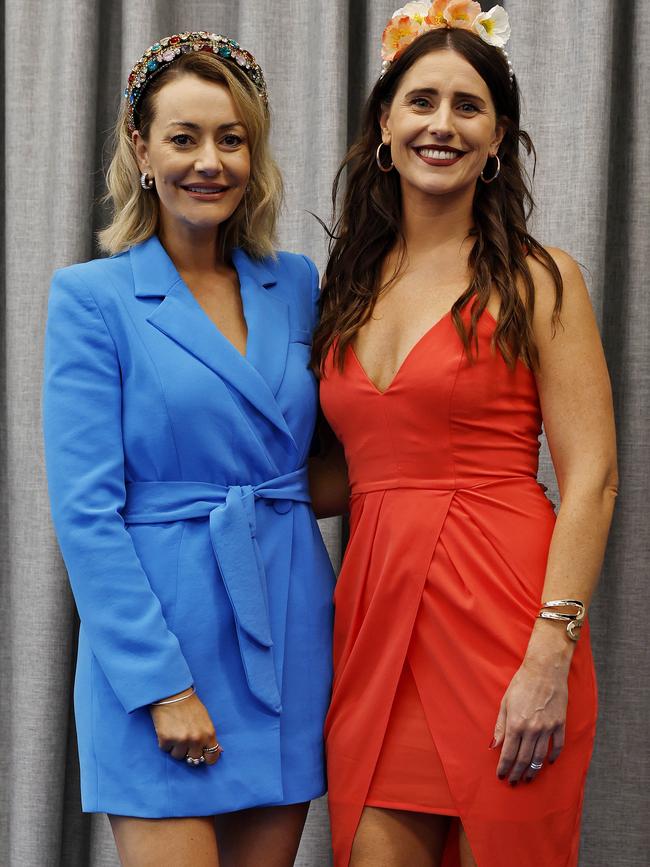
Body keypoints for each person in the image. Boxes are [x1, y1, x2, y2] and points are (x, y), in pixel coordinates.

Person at [309, 3, 617, 866]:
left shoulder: (542, 277)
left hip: (508, 622)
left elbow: (592, 475)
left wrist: (549, 653)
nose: (441, 124)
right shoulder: (348, 284)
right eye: (421, 101)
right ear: (385, 123)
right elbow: (354, 472)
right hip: (374, 629)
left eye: (467, 106)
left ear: (497, 138)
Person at [43, 31, 334, 867]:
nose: (209, 161)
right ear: (141, 148)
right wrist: (162, 685)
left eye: (231, 138)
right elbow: (85, 511)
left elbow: (328, 453)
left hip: (285, 629)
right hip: (159, 650)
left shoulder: (298, 284)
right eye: (184, 137)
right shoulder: (92, 299)